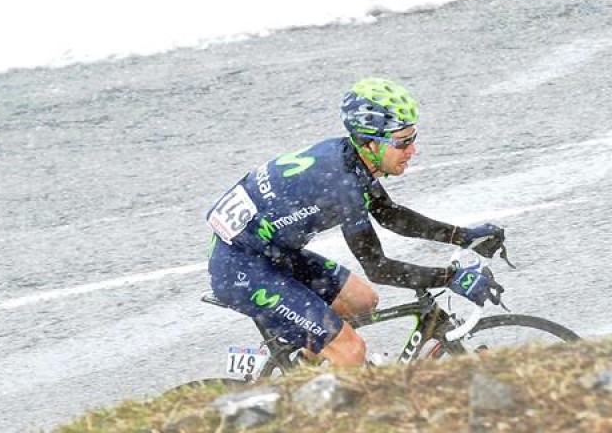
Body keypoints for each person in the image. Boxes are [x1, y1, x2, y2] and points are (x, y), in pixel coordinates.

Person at [205, 77, 506, 366]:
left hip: (270, 253)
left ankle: (305, 375)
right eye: (403, 143)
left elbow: (390, 215)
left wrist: (464, 236)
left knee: (362, 301)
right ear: (371, 144)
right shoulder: (342, 185)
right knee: (351, 351)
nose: (412, 150)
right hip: (242, 270)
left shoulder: (349, 158)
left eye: (413, 138)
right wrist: (452, 278)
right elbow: (379, 268)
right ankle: (315, 411)